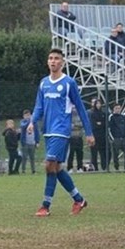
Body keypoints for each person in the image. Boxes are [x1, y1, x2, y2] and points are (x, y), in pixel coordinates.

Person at [27, 49, 94, 217]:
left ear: (62, 63)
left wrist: (89, 132)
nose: (53, 61)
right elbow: (39, 106)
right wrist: (32, 121)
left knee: (49, 164)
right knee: (56, 168)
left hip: (62, 130)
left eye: (57, 58)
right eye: (50, 58)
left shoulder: (69, 83)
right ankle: (79, 199)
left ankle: (45, 206)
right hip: (48, 130)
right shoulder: (43, 83)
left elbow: (80, 108)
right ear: (47, 62)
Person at [108, 104, 125, 171]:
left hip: (124, 138)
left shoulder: (122, 117)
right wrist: (113, 138)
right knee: (116, 154)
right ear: (113, 109)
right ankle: (116, 167)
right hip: (116, 138)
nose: (118, 110)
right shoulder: (111, 117)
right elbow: (109, 128)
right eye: (116, 108)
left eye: (119, 108)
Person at [88, 99, 108, 171]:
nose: (98, 105)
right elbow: (94, 125)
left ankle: (104, 167)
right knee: (94, 153)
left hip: (102, 136)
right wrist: (99, 124)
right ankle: (95, 168)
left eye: (99, 103)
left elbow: (104, 124)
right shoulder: (92, 114)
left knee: (103, 152)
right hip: (94, 135)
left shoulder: (103, 114)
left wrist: (100, 123)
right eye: (97, 103)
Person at [20, 109, 40, 174]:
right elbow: (23, 126)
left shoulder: (34, 123)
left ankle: (33, 170)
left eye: (29, 115)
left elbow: (37, 132)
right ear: (24, 116)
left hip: (32, 142)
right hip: (25, 143)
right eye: (26, 115)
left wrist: (37, 141)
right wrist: (29, 121)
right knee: (24, 157)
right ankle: (23, 170)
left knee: (32, 157)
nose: (28, 117)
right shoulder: (22, 122)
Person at [67, 107, 84, 172]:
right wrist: (76, 126)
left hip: (79, 137)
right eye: (73, 108)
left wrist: (75, 125)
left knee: (80, 153)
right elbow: (69, 126)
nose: (74, 109)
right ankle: (70, 168)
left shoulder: (80, 116)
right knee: (71, 154)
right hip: (71, 138)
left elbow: (81, 124)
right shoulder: (68, 117)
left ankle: (80, 167)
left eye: (75, 108)